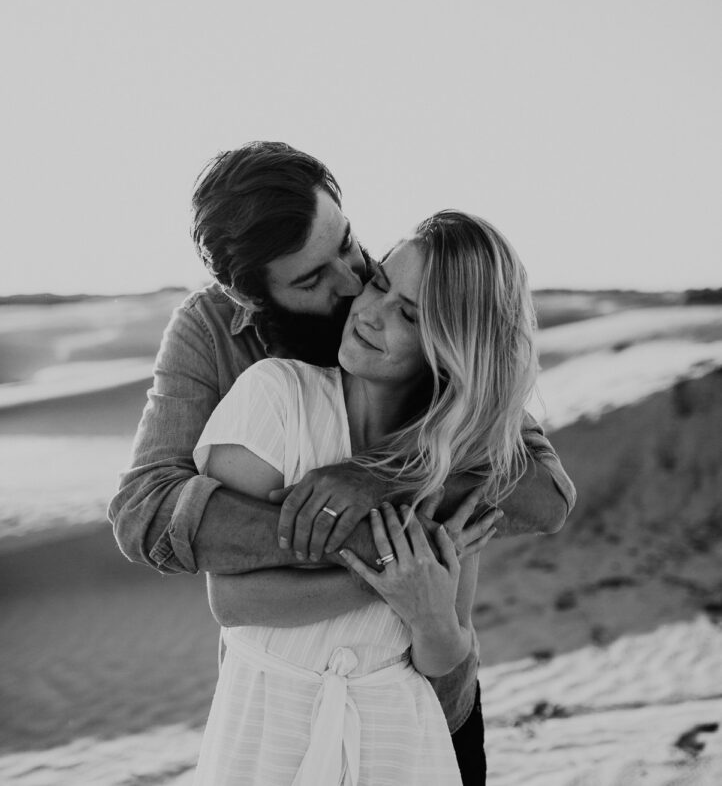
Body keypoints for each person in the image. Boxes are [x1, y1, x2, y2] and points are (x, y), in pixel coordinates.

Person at [108, 142, 576, 783]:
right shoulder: (216, 335)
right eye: (311, 279)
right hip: (286, 704)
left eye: (350, 244)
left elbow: (543, 492)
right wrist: (374, 550)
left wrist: (382, 474)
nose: (354, 284)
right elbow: (147, 511)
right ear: (253, 296)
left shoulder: (419, 295)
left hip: (428, 695)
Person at [191, 210, 539, 785]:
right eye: (380, 283)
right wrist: (386, 577)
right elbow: (233, 600)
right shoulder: (276, 396)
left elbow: (441, 653)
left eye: (408, 314)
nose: (371, 313)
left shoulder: (452, 462)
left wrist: (426, 609)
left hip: (398, 740)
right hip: (266, 731)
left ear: (450, 350)